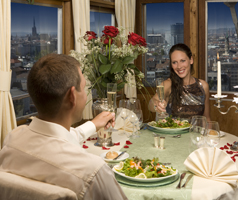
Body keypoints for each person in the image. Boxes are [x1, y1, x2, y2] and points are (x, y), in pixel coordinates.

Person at [0, 54, 127, 200]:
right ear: (72, 96)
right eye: (84, 88)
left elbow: (56, 139)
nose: (86, 95)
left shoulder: (12, 140)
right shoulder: (92, 171)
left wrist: (93, 125)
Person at [148, 43, 211, 122]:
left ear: (191, 60)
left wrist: (210, 133)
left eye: (182, 61)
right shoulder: (168, 84)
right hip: (172, 133)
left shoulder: (203, 86)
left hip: (197, 133)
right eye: (174, 62)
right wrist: (156, 105)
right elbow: (151, 103)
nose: (179, 66)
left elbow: (207, 119)